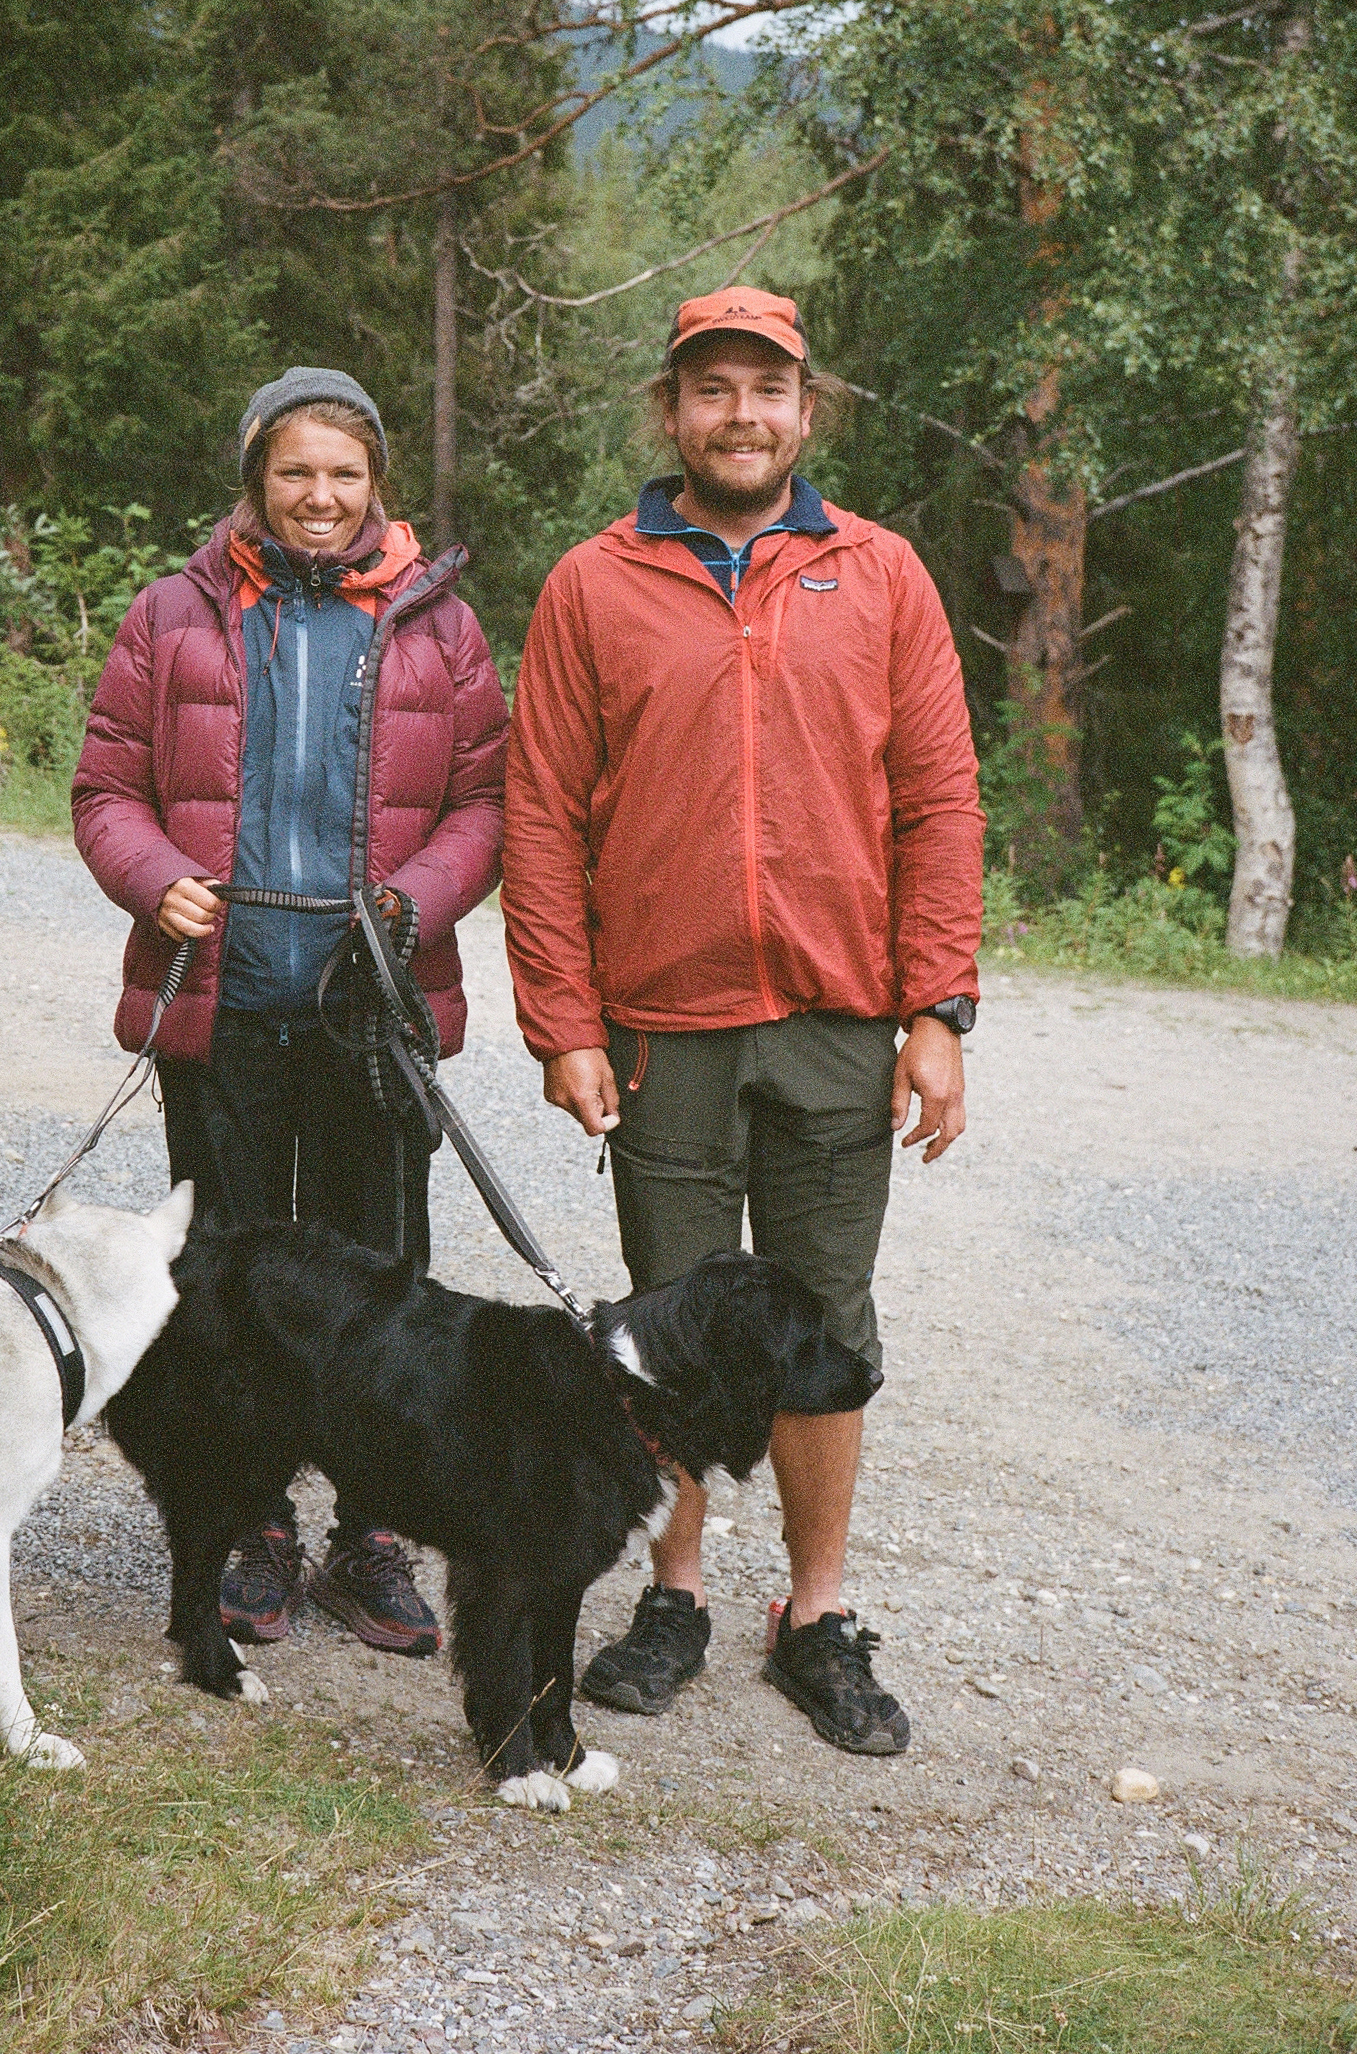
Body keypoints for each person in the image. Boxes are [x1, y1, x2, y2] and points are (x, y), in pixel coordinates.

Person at [500, 284, 983, 1756]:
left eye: (765, 390)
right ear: (670, 412)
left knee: (827, 1321)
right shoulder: (593, 585)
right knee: (668, 1324)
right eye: (711, 389)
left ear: (805, 410)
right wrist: (562, 1022)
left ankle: (817, 1616)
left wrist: (939, 1007)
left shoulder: (882, 575)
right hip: (664, 1028)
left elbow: (941, 802)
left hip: (839, 1022)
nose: (740, 415)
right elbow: (539, 817)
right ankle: (680, 1592)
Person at [73, 366, 508, 1657]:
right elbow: (106, 792)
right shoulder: (174, 618)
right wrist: (158, 883)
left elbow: (485, 810)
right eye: (294, 474)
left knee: (383, 1287)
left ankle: (373, 1532)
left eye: (344, 475)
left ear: (379, 487)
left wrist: (413, 904)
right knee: (236, 1286)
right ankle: (252, 1525)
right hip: (224, 1012)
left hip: (374, 1021)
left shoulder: (441, 628)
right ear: (255, 483)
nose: (320, 499)